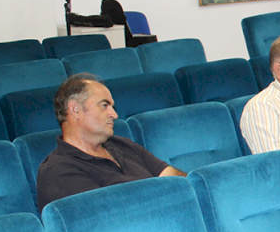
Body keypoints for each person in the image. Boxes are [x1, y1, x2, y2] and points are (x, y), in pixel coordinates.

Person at [36, 73, 185, 210]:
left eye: (112, 107)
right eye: (104, 105)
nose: (114, 114)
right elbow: (111, 216)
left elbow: (174, 176)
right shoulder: (58, 171)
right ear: (75, 109)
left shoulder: (122, 144)